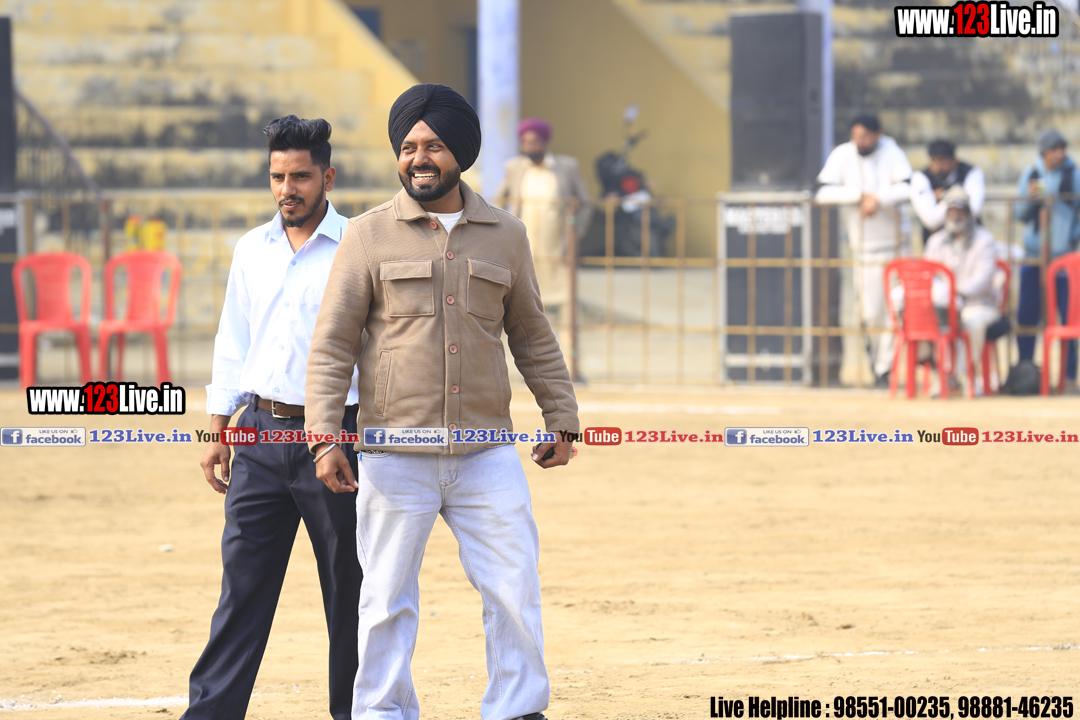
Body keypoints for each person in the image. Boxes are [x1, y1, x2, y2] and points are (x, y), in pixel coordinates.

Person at [303, 84, 579, 720]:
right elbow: (332, 344)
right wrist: (324, 437)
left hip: (487, 453)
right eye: (407, 147)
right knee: (385, 599)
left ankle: (517, 709)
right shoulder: (368, 236)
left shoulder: (506, 235)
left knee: (513, 588)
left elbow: (532, 335)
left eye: (431, 146)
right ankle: (383, 712)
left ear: (461, 152)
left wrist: (561, 417)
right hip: (394, 453)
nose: (418, 158)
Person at [183, 116, 362, 720]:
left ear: (327, 178)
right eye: (278, 177)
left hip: (335, 438)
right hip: (257, 434)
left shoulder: (358, 247)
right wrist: (218, 429)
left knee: (348, 589)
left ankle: (355, 712)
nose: (288, 189)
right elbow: (232, 341)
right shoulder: (250, 249)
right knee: (242, 589)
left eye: (301, 177)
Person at [816, 114, 914, 388]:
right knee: (870, 313)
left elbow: (909, 186)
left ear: (877, 134)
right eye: (856, 136)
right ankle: (876, 363)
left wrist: (879, 198)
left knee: (895, 310)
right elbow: (821, 192)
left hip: (896, 247)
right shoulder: (843, 154)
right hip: (864, 250)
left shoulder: (891, 151)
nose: (860, 141)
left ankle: (886, 370)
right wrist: (860, 196)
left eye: (865, 136)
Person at [493, 117, 593, 313]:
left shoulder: (567, 167)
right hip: (526, 246)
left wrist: (575, 232)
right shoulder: (514, 168)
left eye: (535, 142)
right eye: (525, 142)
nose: (530, 147)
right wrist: (505, 231)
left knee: (566, 297)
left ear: (545, 142)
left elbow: (585, 203)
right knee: (527, 297)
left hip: (559, 246)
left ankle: (568, 333)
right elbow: (498, 201)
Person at [1014, 128, 1080, 385]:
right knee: (1026, 315)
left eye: (1062, 149)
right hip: (1034, 257)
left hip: (1064, 259)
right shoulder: (1033, 175)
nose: (1059, 154)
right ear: (1044, 153)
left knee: (1068, 318)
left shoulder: (1073, 176)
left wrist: (1073, 236)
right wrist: (1031, 199)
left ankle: (1068, 376)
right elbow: (1019, 214)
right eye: (1054, 149)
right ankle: (1026, 372)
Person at [923, 187, 1001, 388]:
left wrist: (957, 294)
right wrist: (944, 297)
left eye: (960, 212)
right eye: (952, 212)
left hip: (977, 304)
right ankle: (941, 374)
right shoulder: (936, 242)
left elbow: (983, 278)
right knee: (925, 319)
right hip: (943, 305)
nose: (956, 216)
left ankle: (963, 374)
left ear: (968, 214)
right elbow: (928, 275)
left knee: (971, 322)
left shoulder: (985, 241)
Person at [910, 139, 986, 241]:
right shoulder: (921, 177)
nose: (938, 166)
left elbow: (973, 210)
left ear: (954, 160)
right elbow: (931, 221)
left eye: (942, 160)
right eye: (934, 160)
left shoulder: (971, 172)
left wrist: (945, 196)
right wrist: (959, 197)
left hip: (969, 239)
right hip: (936, 240)